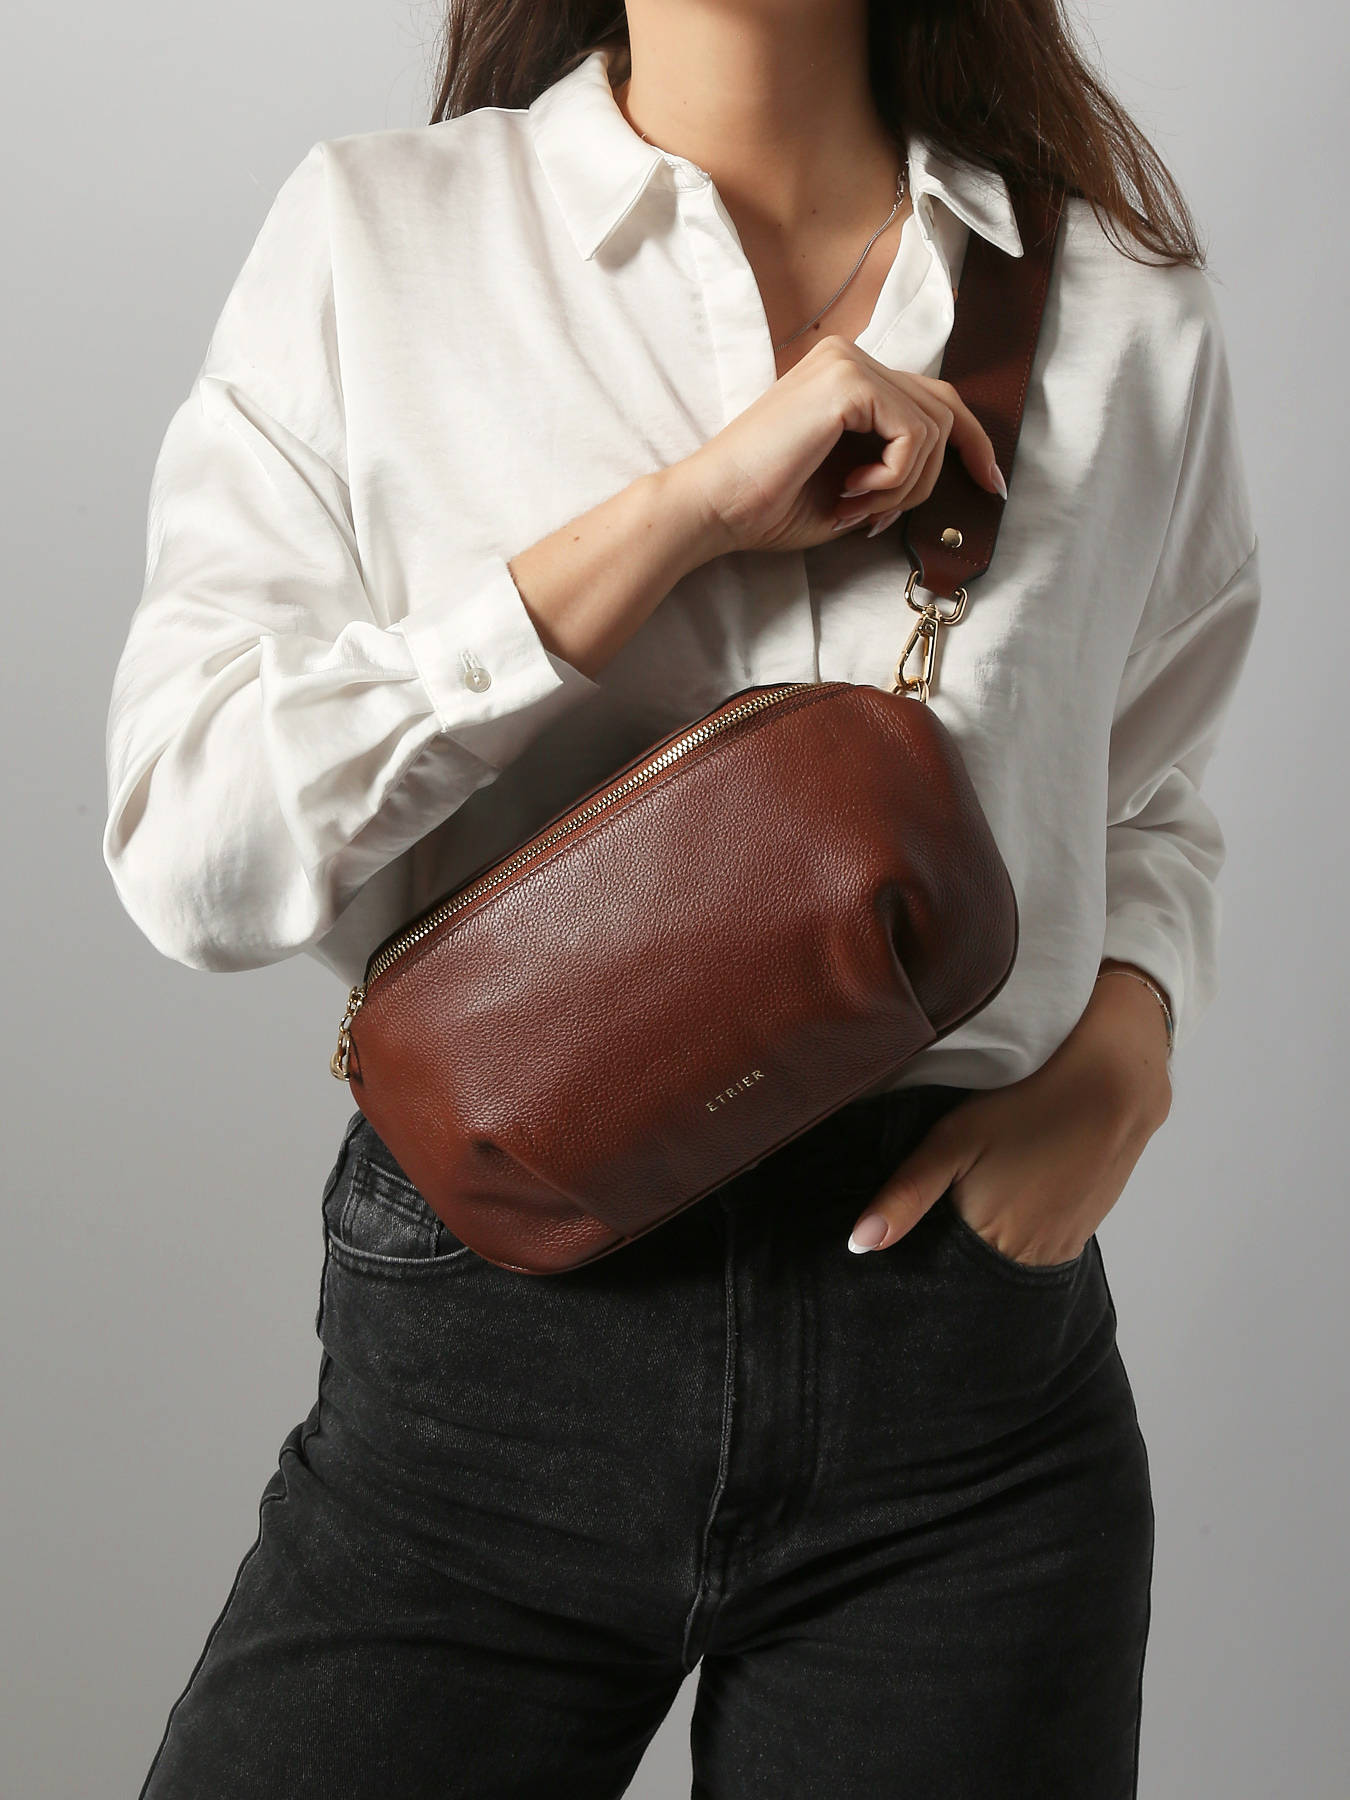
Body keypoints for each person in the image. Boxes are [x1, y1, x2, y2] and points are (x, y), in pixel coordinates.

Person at [103, 4, 1261, 1795]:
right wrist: (674, 520)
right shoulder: (378, 241)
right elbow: (195, 847)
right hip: (494, 1349)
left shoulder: (1113, 300)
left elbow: (1145, 788)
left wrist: (1127, 1050)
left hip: (957, 1376)